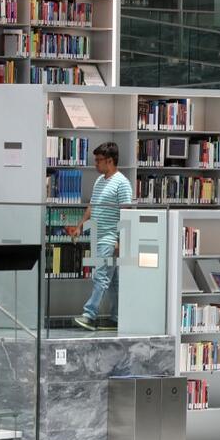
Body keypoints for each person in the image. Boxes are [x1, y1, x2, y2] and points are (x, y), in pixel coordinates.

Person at [70, 142, 133, 331]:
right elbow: (92, 206)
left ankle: (89, 315)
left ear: (110, 161)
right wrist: (80, 225)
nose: (95, 164)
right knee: (113, 282)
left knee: (100, 276)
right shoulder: (100, 181)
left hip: (110, 238)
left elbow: (126, 213)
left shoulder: (122, 183)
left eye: (99, 161)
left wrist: (121, 241)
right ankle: (117, 317)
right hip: (97, 236)